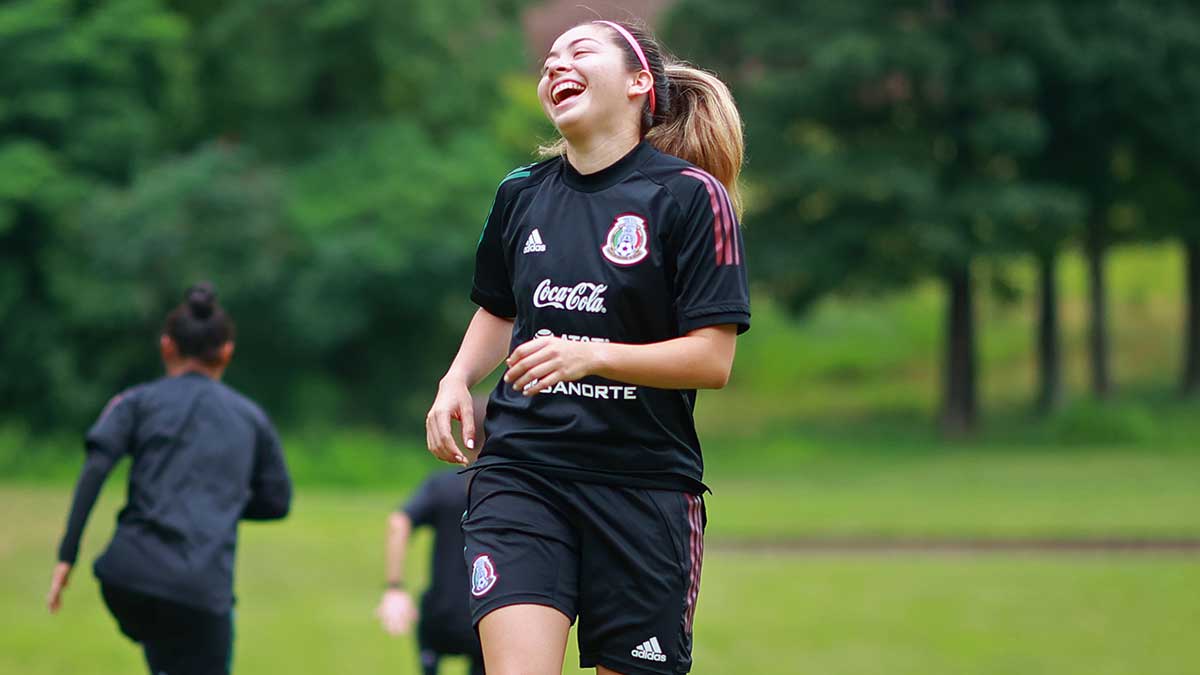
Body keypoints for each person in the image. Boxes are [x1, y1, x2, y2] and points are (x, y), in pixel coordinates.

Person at [424, 19, 749, 675]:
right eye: (548, 58)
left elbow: (712, 360)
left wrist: (592, 353)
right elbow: (498, 306)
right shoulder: (520, 193)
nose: (555, 64)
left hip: (642, 488)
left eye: (579, 50)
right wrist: (455, 378)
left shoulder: (690, 197)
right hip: (523, 473)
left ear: (637, 83)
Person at [47, 282, 292, 675]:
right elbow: (277, 502)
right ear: (226, 352)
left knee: (167, 644)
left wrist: (66, 556)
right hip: (199, 591)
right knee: (192, 633)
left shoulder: (135, 402)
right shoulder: (250, 418)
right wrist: (218, 501)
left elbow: (96, 465)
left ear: (166, 347)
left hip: (126, 578)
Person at [376, 400, 487, 675]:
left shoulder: (443, 485)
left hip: (441, 613)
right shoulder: (507, 489)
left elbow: (399, 522)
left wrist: (394, 587)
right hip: (487, 611)